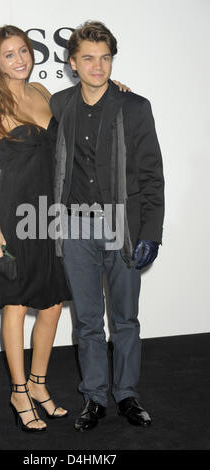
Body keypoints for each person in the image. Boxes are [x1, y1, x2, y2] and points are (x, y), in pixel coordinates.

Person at [0, 24, 129, 432]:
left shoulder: (44, 93)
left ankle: (40, 384)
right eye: (9, 54)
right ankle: (19, 390)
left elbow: (83, 109)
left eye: (23, 50)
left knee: (53, 305)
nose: (20, 59)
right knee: (17, 303)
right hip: (15, 215)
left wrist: (113, 89)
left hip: (54, 211)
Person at [50, 21, 165, 431]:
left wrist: (151, 232)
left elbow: (152, 174)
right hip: (75, 228)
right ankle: (94, 398)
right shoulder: (59, 105)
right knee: (86, 321)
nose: (98, 67)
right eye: (88, 58)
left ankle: (128, 395)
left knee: (126, 319)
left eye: (105, 58)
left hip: (124, 227)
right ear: (72, 62)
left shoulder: (134, 106)